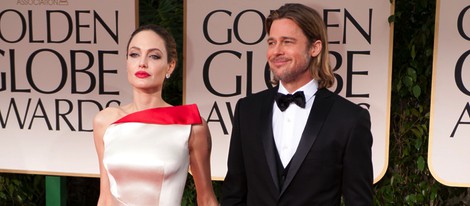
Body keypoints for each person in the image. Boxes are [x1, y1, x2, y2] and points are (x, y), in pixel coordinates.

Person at [221, 3, 373, 205]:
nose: (276, 51)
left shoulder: (350, 119)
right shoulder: (246, 110)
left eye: (287, 42)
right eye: (272, 43)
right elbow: (233, 194)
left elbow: (359, 201)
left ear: (314, 48)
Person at [93, 24, 218, 206]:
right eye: (134, 54)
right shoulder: (105, 122)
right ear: (127, 61)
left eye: (154, 56)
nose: (142, 63)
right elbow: (105, 198)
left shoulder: (190, 126)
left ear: (170, 66)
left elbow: (206, 199)